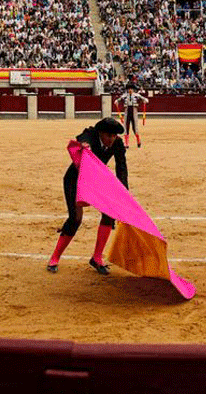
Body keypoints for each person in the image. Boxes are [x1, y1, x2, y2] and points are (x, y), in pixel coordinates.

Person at [46, 117, 128, 275]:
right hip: (74, 180)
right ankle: (55, 257)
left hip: (95, 180)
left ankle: (97, 258)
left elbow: (121, 167)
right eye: (108, 136)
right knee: (76, 218)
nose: (111, 139)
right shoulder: (91, 135)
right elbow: (83, 136)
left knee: (109, 214)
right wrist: (84, 144)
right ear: (101, 133)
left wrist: (123, 191)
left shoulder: (117, 143)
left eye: (114, 136)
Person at [114, 83, 149, 148]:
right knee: (126, 127)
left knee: (135, 127)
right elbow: (119, 100)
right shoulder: (124, 95)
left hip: (134, 111)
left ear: (133, 89)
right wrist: (117, 101)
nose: (130, 90)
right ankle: (126, 143)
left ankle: (138, 141)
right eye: (129, 89)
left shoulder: (136, 95)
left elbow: (144, 99)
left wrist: (145, 100)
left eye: (131, 89)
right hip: (127, 111)